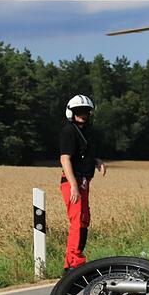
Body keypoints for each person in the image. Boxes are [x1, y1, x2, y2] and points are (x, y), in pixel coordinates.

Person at [59, 94, 106, 272]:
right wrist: (73, 186)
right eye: (79, 111)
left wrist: (97, 161)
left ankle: (74, 259)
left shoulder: (86, 132)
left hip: (84, 181)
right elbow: (65, 159)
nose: (82, 114)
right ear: (71, 112)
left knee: (84, 220)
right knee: (77, 220)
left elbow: (84, 154)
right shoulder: (69, 131)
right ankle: (74, 262)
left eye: (85, 111)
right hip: (73, 182)